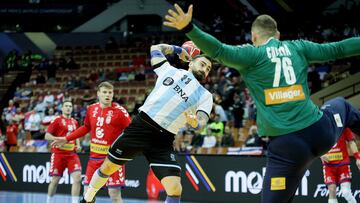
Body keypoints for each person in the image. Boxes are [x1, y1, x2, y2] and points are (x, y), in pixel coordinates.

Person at [163, 4, 360, 203]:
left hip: (287, 148)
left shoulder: (253, 54)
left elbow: (218, 50)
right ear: (278, 35)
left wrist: (190, 28)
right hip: (319, 133)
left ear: (254, 37)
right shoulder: (298, 47)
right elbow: (339, 48)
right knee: (342, 106)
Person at [73, 43, 212, 203]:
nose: (205, 69)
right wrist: (179, 50)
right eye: (202, 64)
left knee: (175, 188)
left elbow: (202, 121)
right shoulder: (170, 70)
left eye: (208, 69)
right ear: (191, 62)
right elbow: (155, 48)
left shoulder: (205, 95)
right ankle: (88, 198)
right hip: (141, 127)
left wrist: (195, 121)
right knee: (107, 168)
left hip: (163, 139)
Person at [52, 81, 131, 203]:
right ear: (98, 93)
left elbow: (131, 132)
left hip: (112, 160)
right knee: (87, 194)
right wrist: (66, 139)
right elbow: (85, 127)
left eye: (110, 92)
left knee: (114, 194)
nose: (107, 95)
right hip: (94, 159)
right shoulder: (91, 109)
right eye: (104, 92)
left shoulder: (120, 111)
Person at [44, 100, 82, 203]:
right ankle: (49, 200)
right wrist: (58, 139)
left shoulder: (75, 122)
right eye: (66, 106)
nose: (68, 108)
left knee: (78, 178)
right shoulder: (57, 120)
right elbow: (47, 135)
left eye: (70, 106)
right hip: (58, 154)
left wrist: (78, 145)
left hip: (72, 154)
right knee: (55, 181)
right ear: (62, 108)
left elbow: (76, 135)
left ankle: (74, 202)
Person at [321, 128, 360, 203]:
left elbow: (351, 142)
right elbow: (315, 142)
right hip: (328, 165)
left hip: (343, 163)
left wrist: (358, 158)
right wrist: (320, 154)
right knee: (332, 190)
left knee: (346, 192)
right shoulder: (322, 124)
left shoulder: (343, 123)